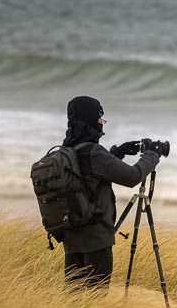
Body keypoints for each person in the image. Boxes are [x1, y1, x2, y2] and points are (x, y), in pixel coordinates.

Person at [59, 95, 162, 290]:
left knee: (73, 300)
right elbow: (132, 176)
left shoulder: (68, 150)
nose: (101, 125)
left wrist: (117, 152)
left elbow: (90, 174)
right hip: (96, 238)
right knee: (95, 301)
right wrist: (152, 155)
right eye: (99, 119)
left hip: (73, 234)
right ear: (90, 121)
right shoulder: (94, 152)